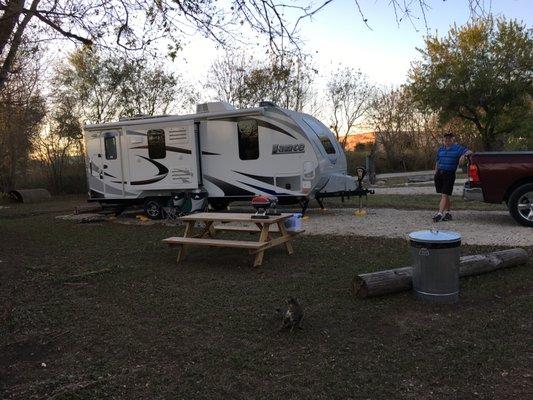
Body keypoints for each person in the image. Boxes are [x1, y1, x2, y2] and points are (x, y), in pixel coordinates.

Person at [433, 132, 472, 222]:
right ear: (443, 140)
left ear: (452, 140)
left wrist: (464, 155)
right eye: (445, 139)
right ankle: (448, 213)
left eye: (449, 139)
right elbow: (437, 162)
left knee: (444, 195)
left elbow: (470, 152)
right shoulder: (440, 149)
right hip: (439, 174)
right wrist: (436, 173)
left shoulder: (458, 148)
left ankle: (439, 214)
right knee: (444, 195)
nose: (447, 140)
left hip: (449, 174)